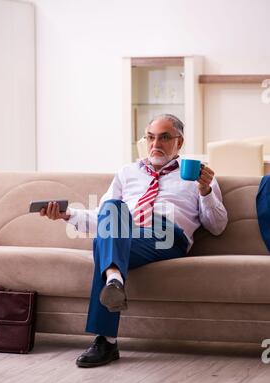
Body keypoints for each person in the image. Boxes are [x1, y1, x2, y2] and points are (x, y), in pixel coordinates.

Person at [40, 114, 228, 368]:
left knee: (102, 244)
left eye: (164, 137)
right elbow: (101, 218)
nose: (155, 144)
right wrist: (68, 214)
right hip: (126, 231)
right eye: (150, 137)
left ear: (179, 142)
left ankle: (106, 339)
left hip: (166, 236)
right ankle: (114, 280)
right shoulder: (127, 172)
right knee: (112, 208)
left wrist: (204, 191)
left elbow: (217, 226)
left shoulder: (198, 176)